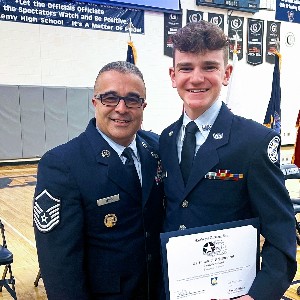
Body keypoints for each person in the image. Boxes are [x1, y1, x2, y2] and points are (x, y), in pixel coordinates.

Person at [159, 21, 296, 300]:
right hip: (175, 290)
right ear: (173, 75)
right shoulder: (166, 138)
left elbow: (282, 237)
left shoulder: (254, 142)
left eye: (209, 67)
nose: (196, 78)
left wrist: (258, 295)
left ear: (226, 73)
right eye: (186, 68)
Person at [33, 61, 165, 300]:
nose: (122, 108)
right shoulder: (63, 164)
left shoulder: (157, 148)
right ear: (95, 102)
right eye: (110, 98)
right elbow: (59, 264)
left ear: (143, 106)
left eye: (133, 99)